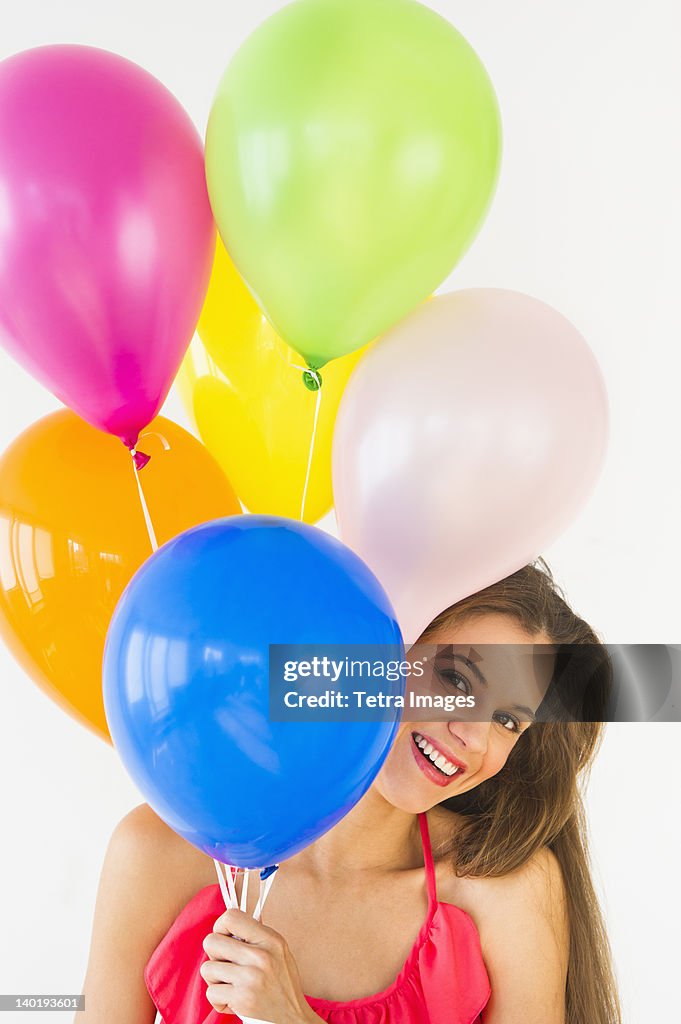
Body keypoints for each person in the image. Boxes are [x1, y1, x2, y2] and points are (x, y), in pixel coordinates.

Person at [78, 561, 622, 1024]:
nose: (475, 737)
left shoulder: (500, 894)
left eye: (507, 719)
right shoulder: (158, 855)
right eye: (457, 681)